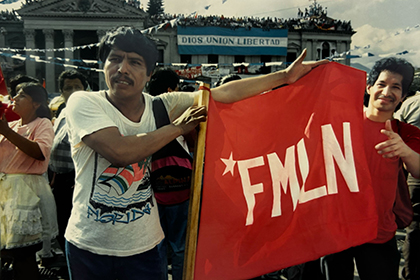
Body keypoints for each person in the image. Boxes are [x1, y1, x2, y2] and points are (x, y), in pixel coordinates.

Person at [64, 25, 327, 280]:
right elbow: (119, 151)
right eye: (115, 59)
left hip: (144, 248)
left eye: (134, 62)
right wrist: (177, 128)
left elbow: (222, 94)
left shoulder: (162, 106)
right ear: (103, 64)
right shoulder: (83, 102)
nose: (122, 69)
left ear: (148, 74)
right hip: (88, 245)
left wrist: (283, 77)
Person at [321, 57, 420, 280]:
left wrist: (404, 150)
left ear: (403, 97)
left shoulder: (405, 132)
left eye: (396, 87)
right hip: (336, 232)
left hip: (379, 233)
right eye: (382, 84)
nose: (387, 92)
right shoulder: (340, 123)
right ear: (369, 88)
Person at [0, 82, 58, 280]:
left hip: (26, 192)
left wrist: (7, 132)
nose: (14, 99)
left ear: (36, 103)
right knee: (8, 253)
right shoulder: (13, 125)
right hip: (5, 192)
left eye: (21, 96)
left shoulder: (43, 124)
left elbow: (40, 153)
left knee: (23, 254)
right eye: (15, 95)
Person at [146, 68, 191, 280]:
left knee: (158, 244)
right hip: (180, 190)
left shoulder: (140, 112)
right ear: (170, 90)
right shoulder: (176, 112)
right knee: (180, 244)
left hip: (151, 191)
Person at [48, 69, 88, 260]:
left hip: (77, 180)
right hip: (60, 180)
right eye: (68, 88)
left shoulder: (88, 111)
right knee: (62, 226)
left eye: (77, 87)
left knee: (76, 229)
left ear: (85, 89)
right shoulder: (63, 111)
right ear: (61, 91)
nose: (72, 91)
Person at [395, 91, 420, 280]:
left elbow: (392, 128)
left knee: (415, 228)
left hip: (414, 173)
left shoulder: (412, 103)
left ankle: (411, 274)